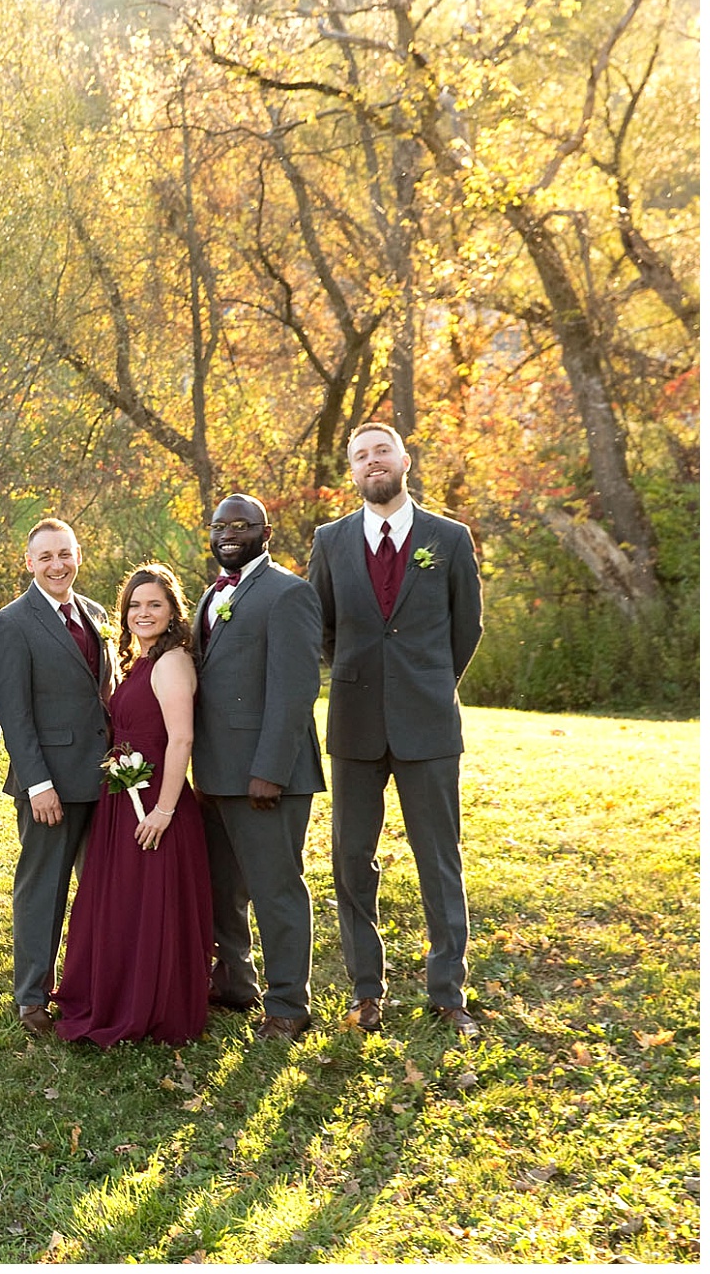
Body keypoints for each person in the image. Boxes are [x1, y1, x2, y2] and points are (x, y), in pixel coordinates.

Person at [308, 422, 485, 1035]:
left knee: (439, 858)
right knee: (351, 858)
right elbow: (322, 628)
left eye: (381, 451)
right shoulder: (329, 542)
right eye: (360, 456)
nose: (372, 462)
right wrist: (360, 676)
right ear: (352, 473)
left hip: (428, 724)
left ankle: (447, 990)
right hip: (355, 723)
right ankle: (366, 990)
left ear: (404, 460)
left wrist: (430, 682)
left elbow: (468, 628)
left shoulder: (450, 538)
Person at [53, 565, 214, 1046]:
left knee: (150, 904)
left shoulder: (171, 662)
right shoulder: (140, 660)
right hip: (124, 797)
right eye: (135, 606)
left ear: (173, 612)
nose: (143, 613)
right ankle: (116, 991)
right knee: (121, 901)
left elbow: (181, 740)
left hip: (157, 803)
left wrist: (164, 811)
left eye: (155, 605)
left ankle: (151, 1001)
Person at [192, 495, 326, 1040]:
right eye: (220, 526)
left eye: (241, 525)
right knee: (224, 889)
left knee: (276, 890)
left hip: (267, 778)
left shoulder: (288, 593)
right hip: (216, 776)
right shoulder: (210, 594)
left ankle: (289, 1004)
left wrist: (270, 770)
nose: (228, 534)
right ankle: (235, 983)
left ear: (265, 531)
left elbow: (296, 691)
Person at [0, 519, 115, 1037]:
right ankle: (32, 996)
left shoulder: (98, 614)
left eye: (66, 553)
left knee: (101, 889)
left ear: (78, 554)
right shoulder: (12, 623)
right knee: (43, 891)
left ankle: (91, 984)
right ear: (29, 562)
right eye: (46, 557)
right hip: (50, 786)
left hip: (104, 778)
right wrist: (37, 783)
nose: (58, 564)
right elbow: (13, 712)